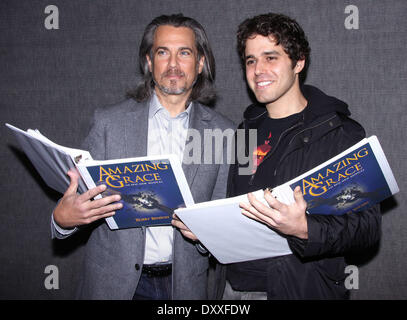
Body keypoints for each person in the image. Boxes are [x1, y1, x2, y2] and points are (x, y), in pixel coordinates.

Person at [51, 14, 234, 300]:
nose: (173, 64)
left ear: (200, 64)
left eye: (184, 53)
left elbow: (225, 226)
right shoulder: (109, 123)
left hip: (183, 288)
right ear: (149, 62)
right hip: (112, 286)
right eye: (163, 52)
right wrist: (63, 220)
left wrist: (206, 235)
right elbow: (76, 201)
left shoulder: (223, 133)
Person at [219, 13, 381, 300]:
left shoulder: (339, 132)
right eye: (251, 60)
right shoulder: (245, 131)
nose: (258, 70)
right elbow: (239, 209)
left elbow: (366, 229)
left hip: (300, 289)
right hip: (233, 290)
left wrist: (305, 228)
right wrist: (207, 231)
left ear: (299, 62)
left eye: (271, 57)